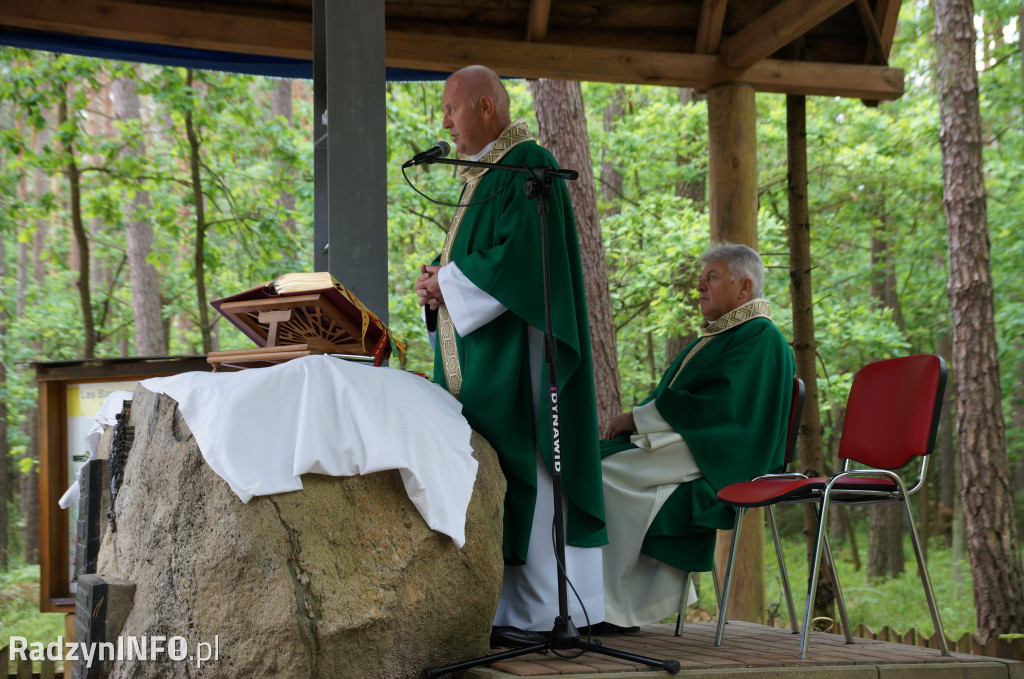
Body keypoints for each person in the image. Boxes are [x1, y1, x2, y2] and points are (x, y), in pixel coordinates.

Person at [413, 65, 607, 634]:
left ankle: (547, 609)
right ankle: (503, 607)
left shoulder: (530, 164)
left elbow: (522, 256)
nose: (444, 121)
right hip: (489, 346)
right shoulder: (485, 173)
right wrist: (439, 286)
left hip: (521, 352)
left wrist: (448, 284)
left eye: (451, 109)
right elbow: (485, 258)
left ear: (485, 108)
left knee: (532, 459)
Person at [599, 243, 796, 629]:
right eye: (700, 279)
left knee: (602, 478)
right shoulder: (722, 335)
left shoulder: (760, 336)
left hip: (725, 452)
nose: (699, 288)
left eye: (711, 278)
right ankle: (616, 607)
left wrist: (639, 419)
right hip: (694, 443)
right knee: (610, 472)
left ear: (744, 287)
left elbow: (722, 407)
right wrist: (642, 418)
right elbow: (680, 398)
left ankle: (611, 607)